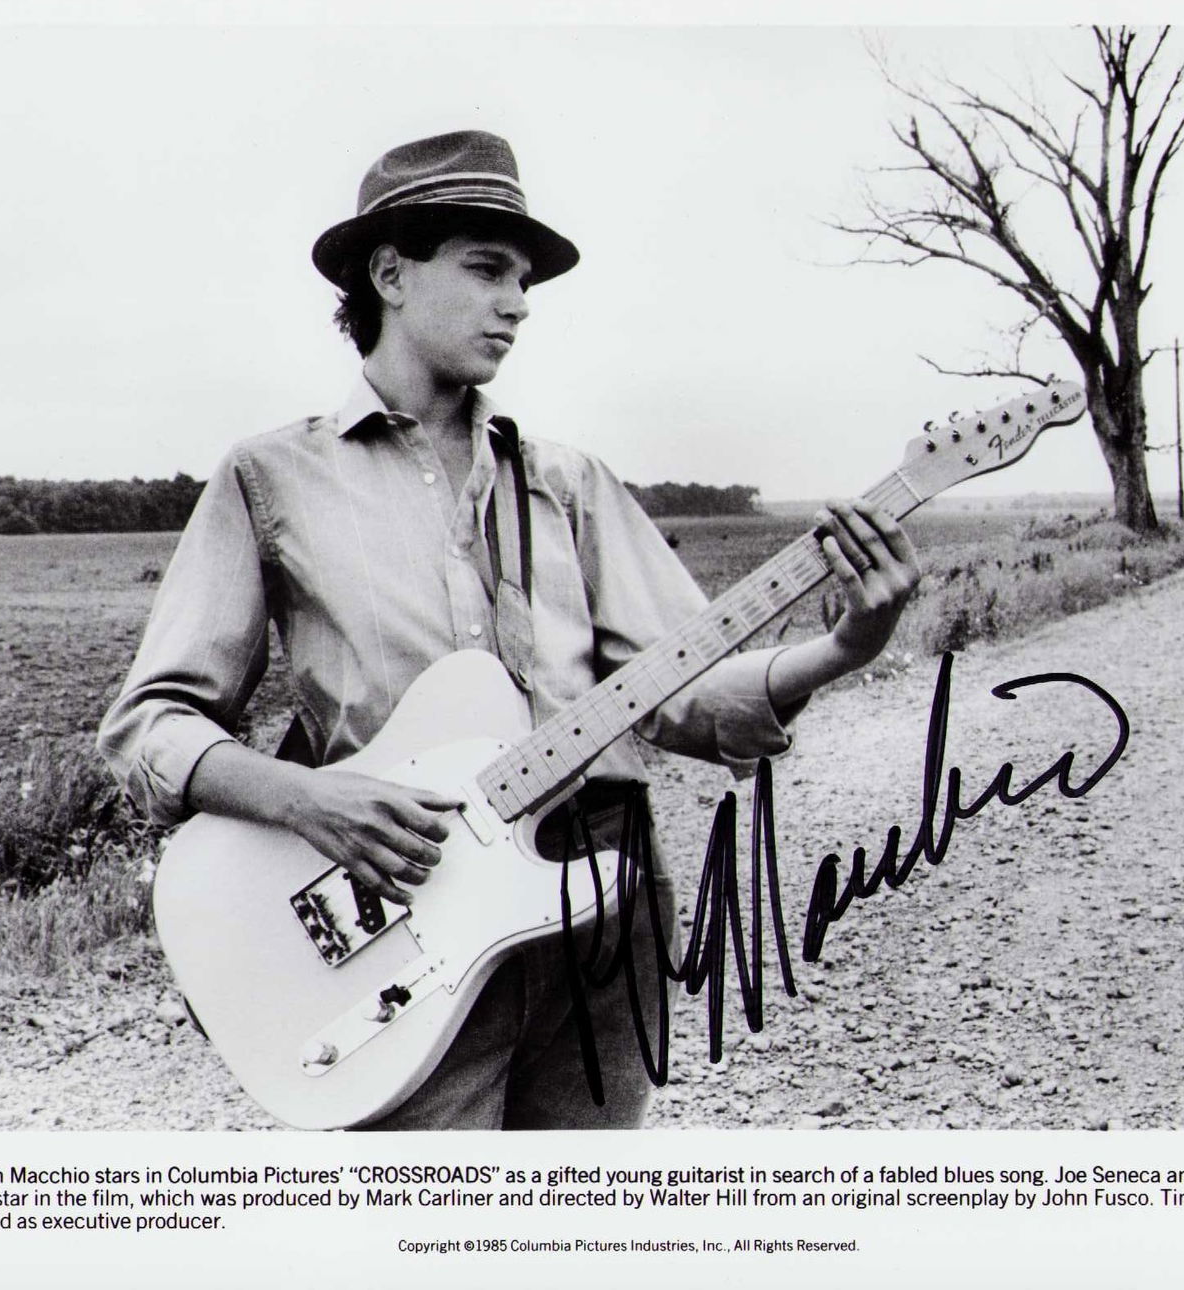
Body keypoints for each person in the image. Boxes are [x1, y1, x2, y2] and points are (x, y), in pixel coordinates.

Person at [97, 130, 919, 1130]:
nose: (517, 303)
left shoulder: (567, 481)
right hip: (403, 902)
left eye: (524, 279)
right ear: (389, 274)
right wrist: (302, 800)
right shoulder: (270, 479)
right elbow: (151, 725)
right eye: (487, 269)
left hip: (604, 909)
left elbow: (686, 698)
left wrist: (847, 646)